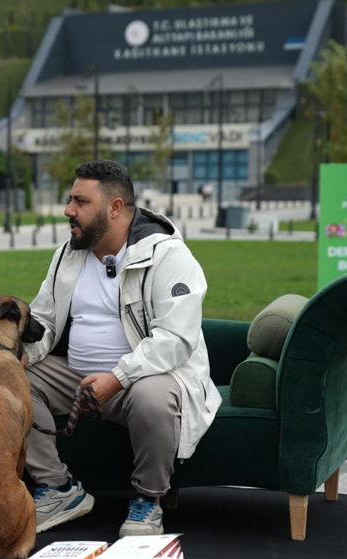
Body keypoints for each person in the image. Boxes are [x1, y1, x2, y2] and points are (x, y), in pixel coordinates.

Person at [23, 159, 220, 537]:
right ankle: (58, 489)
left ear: (115, 208)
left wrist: (117, 377)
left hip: (141, 379)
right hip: (73, 377)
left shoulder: (167, 256)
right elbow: (45, 319)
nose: (68, 210)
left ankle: (148, 502)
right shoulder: (68, 253)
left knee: (152, 396)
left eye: (80, 201)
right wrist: (23, 355)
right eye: (70, 200)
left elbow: (176, 339)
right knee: (10, 378)